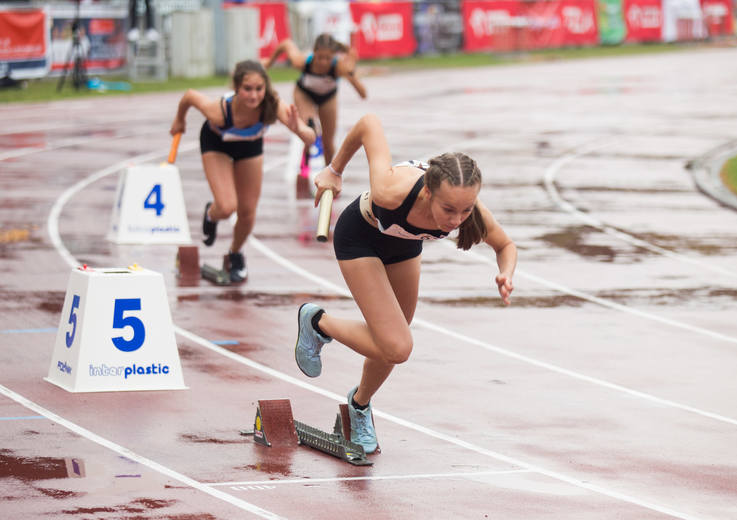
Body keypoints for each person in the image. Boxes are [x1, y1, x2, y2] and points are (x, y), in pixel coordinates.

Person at [294, 114, 517, 453]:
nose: (457, 220)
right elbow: (369, 123)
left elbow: (506, 246)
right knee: (397, 346)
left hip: (404, 247)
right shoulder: (391, 189)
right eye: (449, 210)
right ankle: (317, 322)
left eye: (466, 210)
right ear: (427, 192)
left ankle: (359, 405)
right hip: (360, 239)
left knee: (392, 340)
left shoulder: (469, 210)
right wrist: (335, 170)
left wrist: (506, 273)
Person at [170, 60, 316, 283]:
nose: (254, 95)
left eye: (259, 89)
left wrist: (299, 129)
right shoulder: (219, 111)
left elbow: (310, 137)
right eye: (247, 89)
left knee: (247, 212)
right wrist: (179, 119)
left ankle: (235, 253)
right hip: (217, 143)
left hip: (250, 146)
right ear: (236, 88)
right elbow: (190, 95)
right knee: (228, 207)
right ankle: (212, 214)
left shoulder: (271, 104)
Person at [263, 34, 367, 166]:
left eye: (328, 58)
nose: (323, 62)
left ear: (334, 56)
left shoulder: (339, 68)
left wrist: (352, 74)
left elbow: (363, 94)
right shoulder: (301, 62)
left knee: (328, 144)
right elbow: (286, 44)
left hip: (328, 97)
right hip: (304, 94)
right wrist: (269, 62)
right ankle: (305, 164)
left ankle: (329, 172)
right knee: (310, 127)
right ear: (314, 53)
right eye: (319, 57)